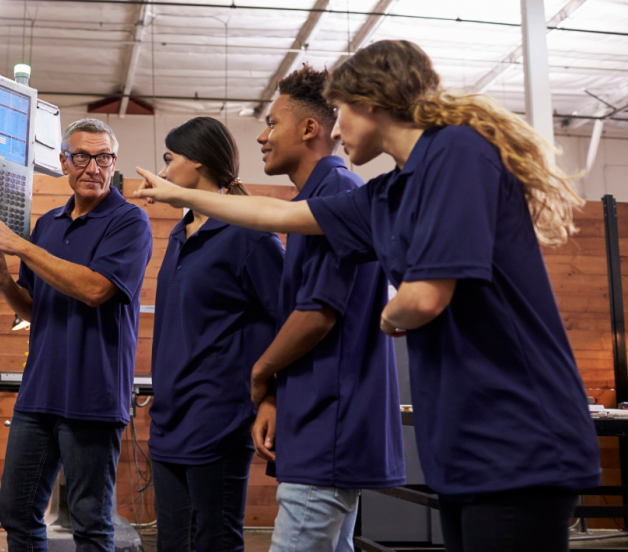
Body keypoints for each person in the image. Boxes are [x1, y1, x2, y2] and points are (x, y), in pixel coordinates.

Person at [134, 40, 601, 552]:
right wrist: (179, 194)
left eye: (344, 113)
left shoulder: (457, 150)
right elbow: (280, 217)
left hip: (517, 432)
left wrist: (388, 314)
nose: (335, 130)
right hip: (461, 438)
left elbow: (423, 298)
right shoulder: (385, 193)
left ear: (372, 102)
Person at [0, 118, 154, 552]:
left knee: (89, 522)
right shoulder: (48, 224)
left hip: (93, 396)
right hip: (39, 394)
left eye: (104, 157)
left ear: (113, 163)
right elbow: (34, 307)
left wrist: (22, 247)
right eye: (83, 156)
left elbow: (95, 289)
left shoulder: (130, 222)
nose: (94, 167)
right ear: (63, 162)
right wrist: (2, 281)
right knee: (16, 512)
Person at [246, 66, 404, 552]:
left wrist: (261, 372)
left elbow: (319, 313)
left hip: (330, 422)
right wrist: (275, 395)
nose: (262, 136)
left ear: (309, 128)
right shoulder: (316, 197)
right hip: (315, 417)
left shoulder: (337, 193)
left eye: (272, 123)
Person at [147, 117, 284, 552]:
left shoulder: (250, 236)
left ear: (199, 162)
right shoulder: (179, 234)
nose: (165, 172)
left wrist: (272, 397)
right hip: (169, 419)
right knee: (172, 542)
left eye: (170, 160)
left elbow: (290, 322)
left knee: (215, 541)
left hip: (220, 419)